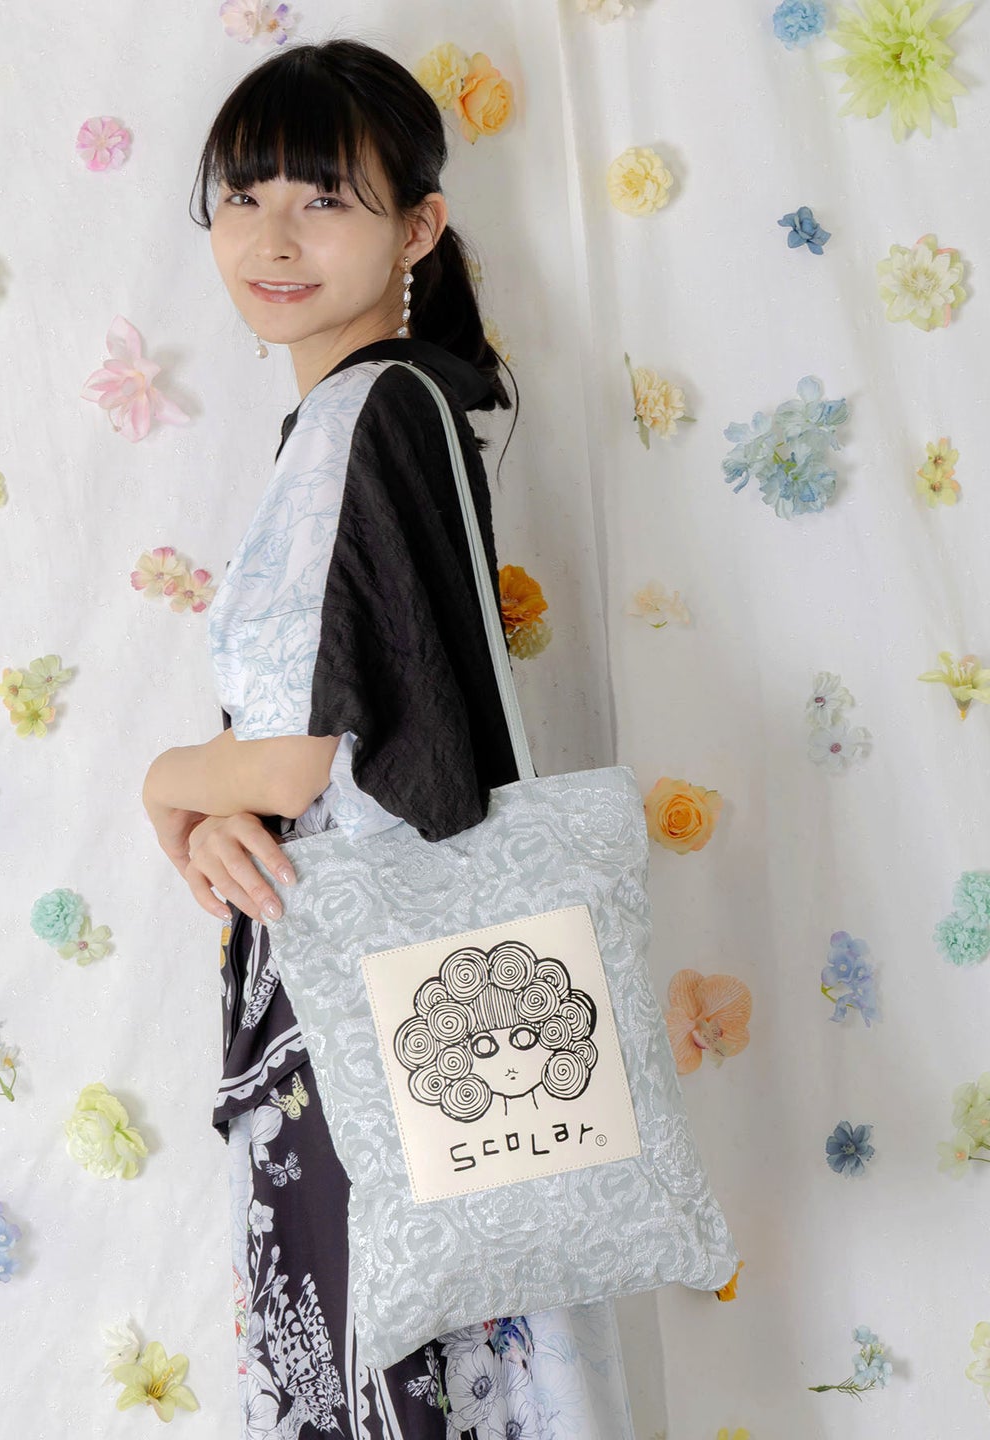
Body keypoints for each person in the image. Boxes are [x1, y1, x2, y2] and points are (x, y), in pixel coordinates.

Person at [141, 36, 636, 1440]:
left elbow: (301, 755)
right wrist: (227, 805)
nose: (273, 238)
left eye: (325, 200)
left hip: (357, 1002)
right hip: (402, 992)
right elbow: (364, 730)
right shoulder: (396, 408)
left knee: (380, 1371)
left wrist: (169, 783)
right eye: (244, 199)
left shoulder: (365, 412)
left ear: (419, 227)